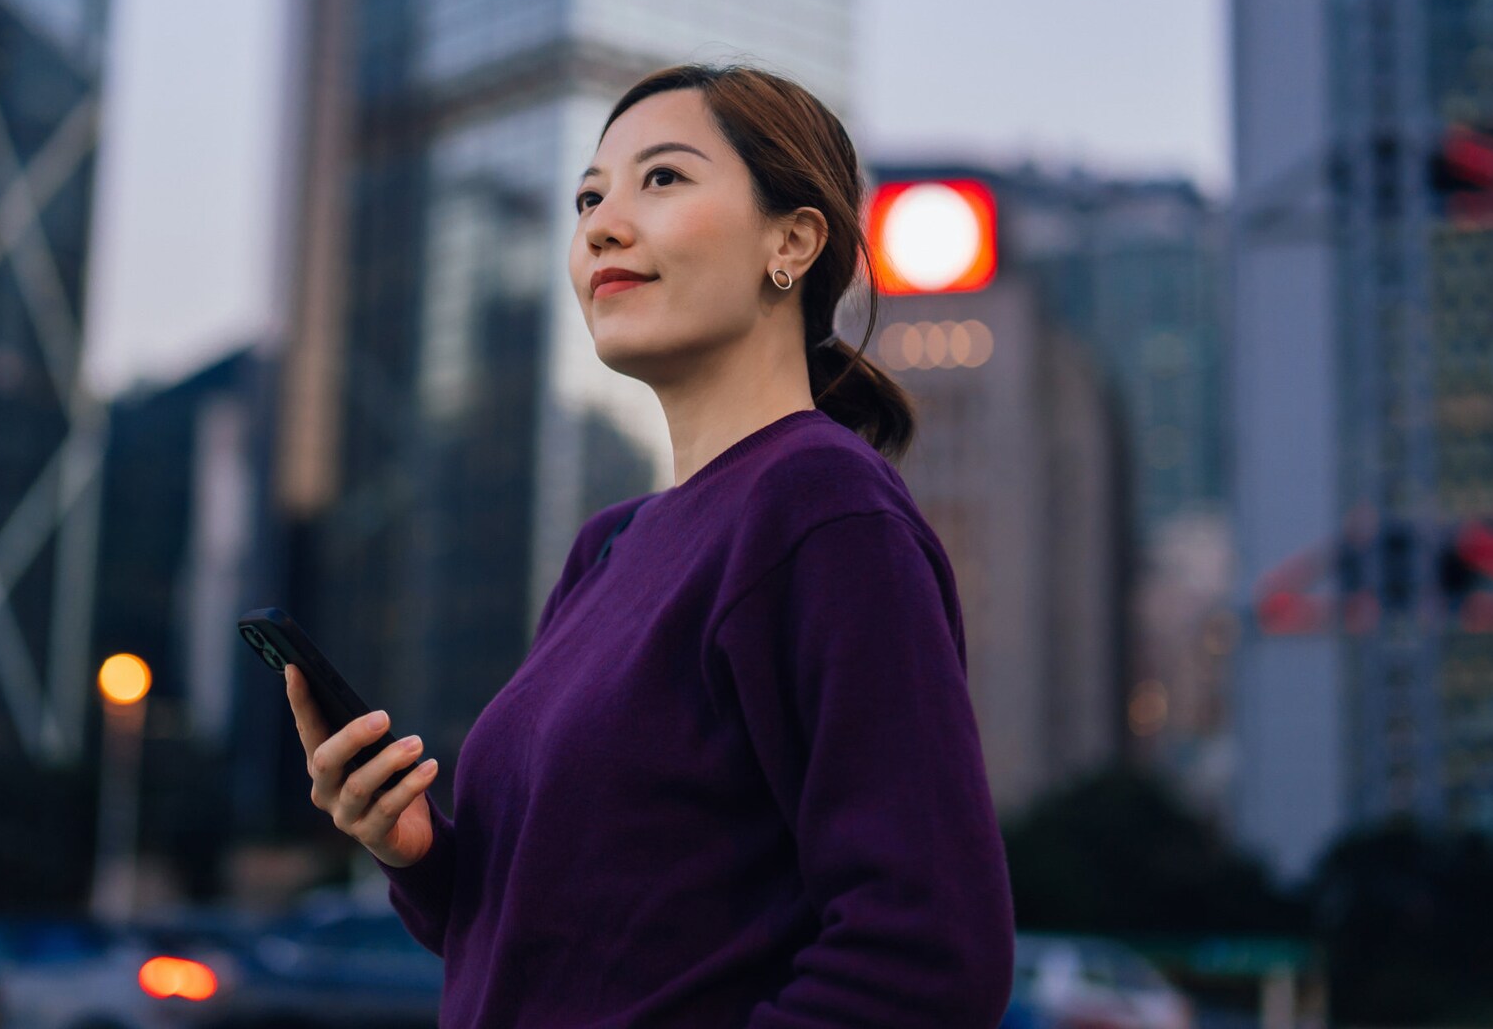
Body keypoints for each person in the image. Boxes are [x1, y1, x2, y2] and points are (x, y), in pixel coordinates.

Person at [284, 62, 1015, 1027]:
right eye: (588, 196)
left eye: (661, 179)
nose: (601, 224)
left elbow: (928, 952)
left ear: (791, 242)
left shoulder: (824, 511)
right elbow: (570, 939)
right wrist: (420, 854)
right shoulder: (610, 546)